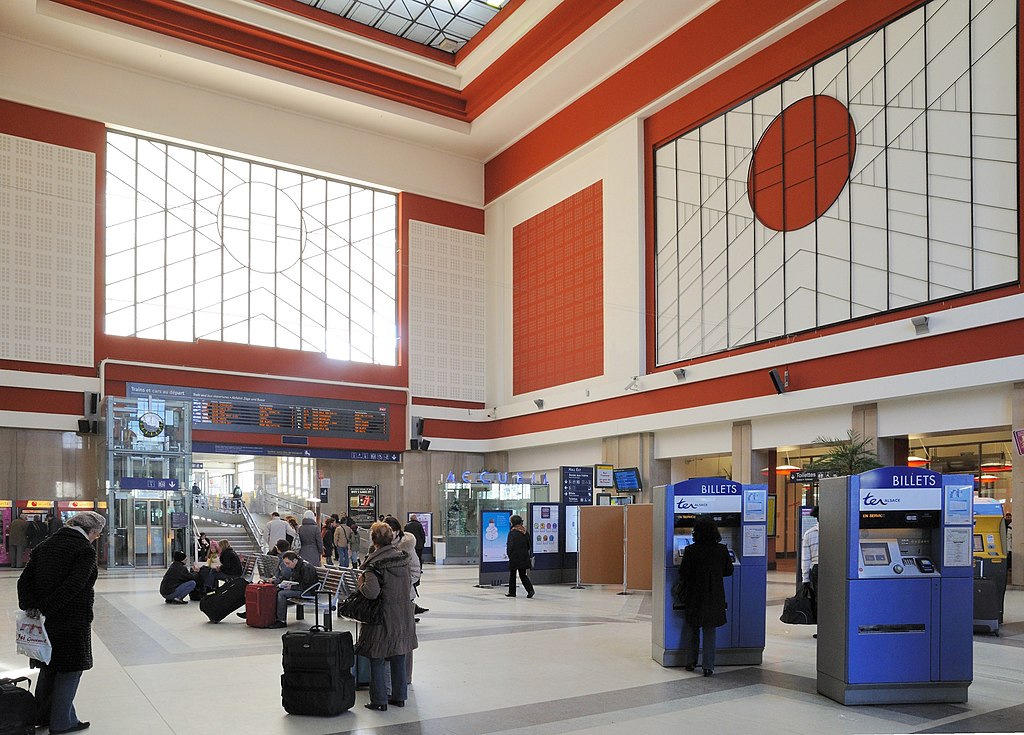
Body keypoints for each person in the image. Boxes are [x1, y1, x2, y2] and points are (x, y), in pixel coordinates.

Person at [17, 510, 106, 734]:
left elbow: (24, 581)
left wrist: (32, 606)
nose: (96, 538)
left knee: (49, 667)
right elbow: (75, 585)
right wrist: (49, 607)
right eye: (97, 534)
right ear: (92, 531)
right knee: (70, 669)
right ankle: (62, 722)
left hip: (43, 621)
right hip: (71, 620)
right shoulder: (84, 550)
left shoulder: (45, 546)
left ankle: (43, 716)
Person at [356, 522, 417, 711]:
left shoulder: (374, 564)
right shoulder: (403, 559)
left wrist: (361, 583)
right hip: (403, 614)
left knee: (377, 658)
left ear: (374, 540)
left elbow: (372, 592)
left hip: (381, 617)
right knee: (398, 655)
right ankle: (399, 697)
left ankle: (379, 700)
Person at [677, 517, 734, 677]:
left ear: (696, 532)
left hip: (694, 594)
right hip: (714, 594)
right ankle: (708, 666)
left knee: (693, 628)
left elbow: (684, 573)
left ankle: (690, 662)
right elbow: (729, 571)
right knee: (710, 631)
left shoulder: (690, 550)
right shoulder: (722, 550)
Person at [254, 550, 318, 629]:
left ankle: (281, 620)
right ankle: (273, 617)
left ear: (294, 560)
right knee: (277, 590)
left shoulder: (306, 567)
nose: (287, 566)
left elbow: (307, 585)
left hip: (307, 591)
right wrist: (276, 582)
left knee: (282, 594)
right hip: (301, 589)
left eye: (288, 563)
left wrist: (291, 587)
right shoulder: (298, 566)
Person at [505, 515, 535, 598]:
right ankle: (530, 590)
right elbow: (529, 545)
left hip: (515, 556)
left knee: (512, 575)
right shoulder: (525, 532)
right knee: (523, 575)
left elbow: (510, 545)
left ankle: (512, 592)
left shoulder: (512, 532)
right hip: (524, 556)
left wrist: (509, 554)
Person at [801, 506, 820, 628]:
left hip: (817, 569)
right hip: (836, 569)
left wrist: (805, 578)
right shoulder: (839, 532)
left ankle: (822, 629)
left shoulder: (809, 534)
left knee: (818, 599)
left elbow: (805, 559)